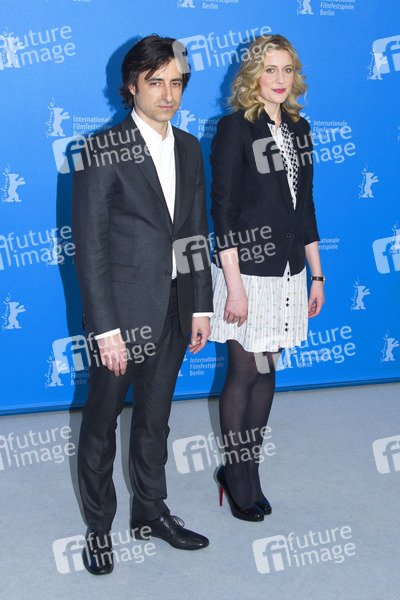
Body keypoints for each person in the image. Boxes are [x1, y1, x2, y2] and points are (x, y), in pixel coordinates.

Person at [72, 34, 213, 575]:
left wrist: (200, 306)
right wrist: (105, 329)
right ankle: (98, 528)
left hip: (176, 310)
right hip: (122, 318)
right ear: (131, 85)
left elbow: (195, 231)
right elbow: (91, 249)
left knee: (156, 420)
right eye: (155, 82)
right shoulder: (101, 149)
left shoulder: (189, 147)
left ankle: (151, 512)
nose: (168, 94)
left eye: (176, 82)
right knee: (102, 424)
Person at [209, 34, 325, 522]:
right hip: (247, 273)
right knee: (243, 372)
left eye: (287, 69)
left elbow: (305, 207)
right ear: (254, 75)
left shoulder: (300, 128)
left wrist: (316, 274)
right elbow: (222, 212)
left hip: (288, 272)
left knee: (267, 370)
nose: (280, 79)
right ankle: (236, 476)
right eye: (270, 69)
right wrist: (234, 287)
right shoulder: (235, 128)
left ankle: (250, 470)